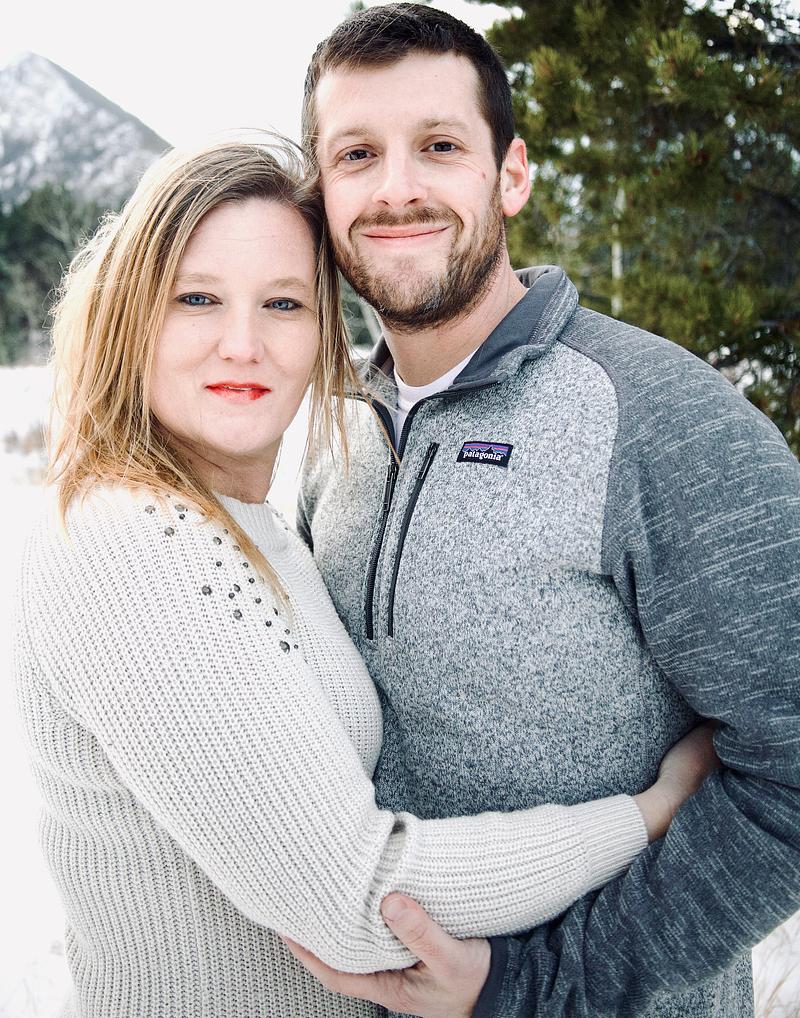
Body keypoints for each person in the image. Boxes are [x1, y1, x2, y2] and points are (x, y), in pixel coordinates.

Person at [12, 137, 716, 1018]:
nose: (243, 344)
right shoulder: (128, 537)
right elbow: (356, 899)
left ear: (323, 332)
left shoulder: (252, 527)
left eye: (283, 303)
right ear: (131, 315)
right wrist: (650, 815)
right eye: (197, 299)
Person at [294, 4, 800, 1017]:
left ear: (511, 175)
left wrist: (534, 987)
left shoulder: (655, 416)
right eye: (357, 154)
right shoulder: (335, 427)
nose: (396, 188)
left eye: (440, 146)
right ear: (321, 191)